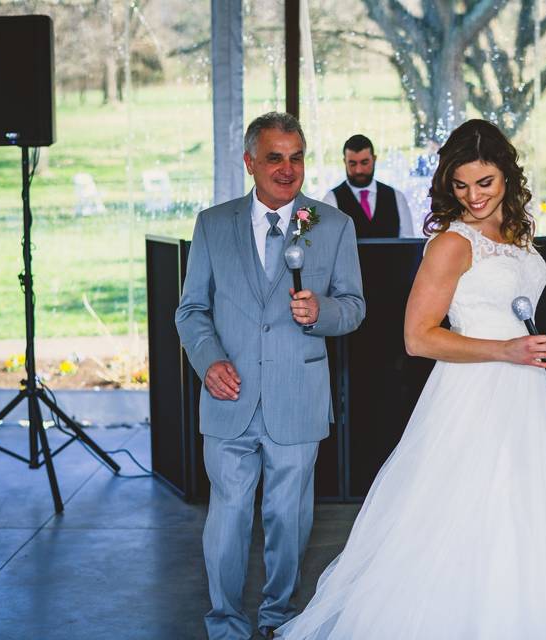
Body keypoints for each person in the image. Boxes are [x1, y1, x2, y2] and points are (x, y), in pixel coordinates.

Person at [276, 120, 546, 639]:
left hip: (525, 395)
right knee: (465, 517)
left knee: (533, 516)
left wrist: (520, 351)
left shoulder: (519, 234)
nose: (474, 196)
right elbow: (418, 338)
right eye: (461, 186)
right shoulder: (452, 245)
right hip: (471, 393)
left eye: (485, 183)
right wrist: (504, 348)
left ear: (507, 176)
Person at [175, 111, 365, 640]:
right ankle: (226, 624)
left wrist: (320, 312)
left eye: (297, 157)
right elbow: (191, 311)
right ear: (249, 162)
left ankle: (279, 618)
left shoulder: (334, 225)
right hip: (228, 398)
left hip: (297, 397)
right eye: (275, 158)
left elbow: (354, 307)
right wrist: (209, 360)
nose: (287, 169)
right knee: (229, 516)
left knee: (289, 518)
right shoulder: (213, 225)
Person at [320, 134, 414, 238]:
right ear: (344, 162)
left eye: (364, 163)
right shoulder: (331, 200)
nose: (358, 170)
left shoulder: (397, 197)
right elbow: (328, 243)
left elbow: (408, 243)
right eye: (352, 164)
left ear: (374, 159)